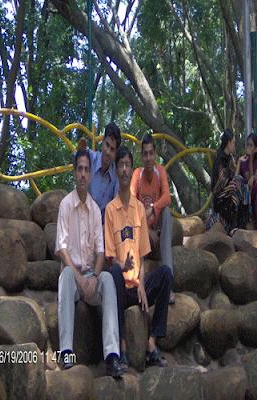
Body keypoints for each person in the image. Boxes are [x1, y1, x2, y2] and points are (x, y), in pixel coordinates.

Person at [55, 148, 124, 377]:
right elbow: (61, 249)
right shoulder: (65, 205)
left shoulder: (95, 210)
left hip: (90, 280)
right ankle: (66, 352)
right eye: (80, 169)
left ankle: (112, 356)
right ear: (74, 174)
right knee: (64, 275)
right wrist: (78, 277)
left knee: (107, 278)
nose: (83, 174)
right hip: (73, 280)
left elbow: (101, 252)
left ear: (90, 175)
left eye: (86, 169)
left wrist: (94, 277)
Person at [105, 145, 172, 371]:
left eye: (127, 165)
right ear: (116, 171)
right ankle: (122, 346)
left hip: (138, 286)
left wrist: (142, 283)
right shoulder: (110, 211)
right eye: (120, 165)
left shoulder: (139, 210)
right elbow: (110, 258)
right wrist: (122, 266)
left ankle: (152, 342)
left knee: (165, 274)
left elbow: (143, 254)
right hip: (120, 288)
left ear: (131, 168)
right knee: (114, 272)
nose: (124, 170)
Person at [130, 133, 175, 304]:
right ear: (141, 156)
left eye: (151, 153)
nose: (148, 158)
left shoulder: (160, 170)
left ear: (155, 154)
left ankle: (168, 283)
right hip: (143, 234)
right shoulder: (137, 174)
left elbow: (167, 197)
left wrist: (151, 210)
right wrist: (146, 229)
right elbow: (132, 203)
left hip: (158, 233)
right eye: (145, 154)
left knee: (167, 212)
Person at [205, 128, 250, 234]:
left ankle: (242, 224)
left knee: (243, 186)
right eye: (233, 142)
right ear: (228, 143)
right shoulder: (220, 158)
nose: (234, 145)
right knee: (237, 185)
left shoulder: (229, 158)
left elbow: (234, 177)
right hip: (220, 200)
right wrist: (236, 180)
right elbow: (222, 183)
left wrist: (239, 163)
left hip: (229, 195)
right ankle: (235, 225)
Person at [76, 122, 121, 224]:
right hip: (82, 219)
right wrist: (80, 154)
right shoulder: (90, 157)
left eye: (112, 149)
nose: (108, 152)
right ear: (103, 141)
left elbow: (115, 207)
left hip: (103, 227)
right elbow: (76, 168)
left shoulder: (116, 174)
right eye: (107, 145)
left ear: (116, 152)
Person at [237, 132, 257, 227]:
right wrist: (246, 161)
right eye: (247, 145)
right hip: (246, 194)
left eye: (251, 145)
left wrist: (252, 159)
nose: (248, 147)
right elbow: (248, 180)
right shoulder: (244, 162)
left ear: (256, 149)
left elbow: (254, 179)